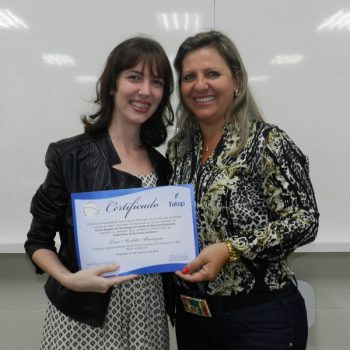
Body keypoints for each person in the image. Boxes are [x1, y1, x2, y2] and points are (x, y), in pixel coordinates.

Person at [166, 30, 319, 350]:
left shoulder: (267, 142)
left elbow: (304, 219)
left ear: (236, 81)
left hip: (260, 319)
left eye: (212, 74)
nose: (200, 85)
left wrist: (230, 249)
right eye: (189, 76)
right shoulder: (179, 149)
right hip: (194, 320)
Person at [24, 36, 174, 350]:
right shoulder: (72, 156)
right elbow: (38, 240)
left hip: (147, 316)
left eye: (156, 82)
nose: (145, 91)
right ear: (111, 85)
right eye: (134, 77)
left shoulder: (163, 165)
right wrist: (68, 278)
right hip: (83, 317)